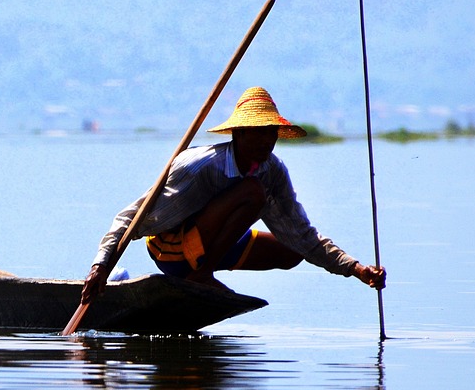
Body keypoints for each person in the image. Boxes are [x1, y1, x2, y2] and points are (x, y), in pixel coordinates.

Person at [80, 86, 386, 304]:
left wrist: (356, 269)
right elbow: (129, 217)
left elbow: (302, 234)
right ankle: (200, 277)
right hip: (170, 249)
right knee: (253, 192)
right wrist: (101, 268)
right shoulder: (200, 167)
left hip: (208, 249)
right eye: (259, 131)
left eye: (272, 132)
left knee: (295, 251)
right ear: (239, 134)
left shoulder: (272, 171)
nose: (268, 140)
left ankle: (202, 275)